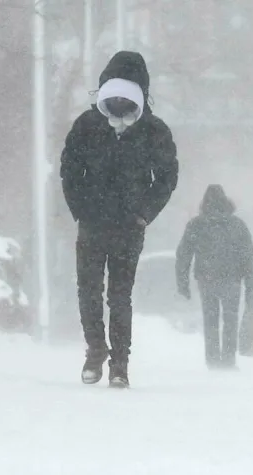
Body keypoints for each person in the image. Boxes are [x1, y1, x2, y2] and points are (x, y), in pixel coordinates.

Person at [60, 51, 179, 388]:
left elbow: (167, 176)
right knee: (89, 291)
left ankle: (119, 362)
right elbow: (70, 168)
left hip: (127, 226)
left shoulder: (153, 131)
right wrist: (81, 208)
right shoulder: (87, 125)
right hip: (94, 222)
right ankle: (96, 351)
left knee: (118, 295)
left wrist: (143, 214)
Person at [175, 185, 253, 370]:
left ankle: (212, 359)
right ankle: (228, 360)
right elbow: (248, 257)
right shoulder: (237, 225)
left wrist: (183, 283)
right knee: (230, 320)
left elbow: (184, 255)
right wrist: (251, 287)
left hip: (207, 280)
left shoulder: (197, 224)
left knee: (210, 320)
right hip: (232, 280)